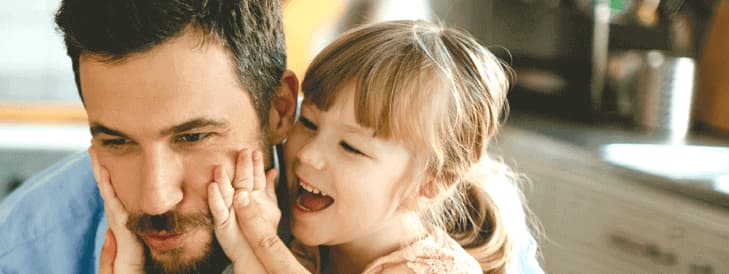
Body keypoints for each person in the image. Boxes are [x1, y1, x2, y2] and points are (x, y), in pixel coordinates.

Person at [0, 0, 545, 273]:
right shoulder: (22, 250)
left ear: (279, 108)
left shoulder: (475, 238)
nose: (155, 198)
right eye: (116, 141)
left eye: (194, 137)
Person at [205, 20, 536, 274]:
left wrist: (262, 244)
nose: (308, 153)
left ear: (429, 184)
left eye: (350, 146)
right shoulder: (312, 250)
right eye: (308, 122)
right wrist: (246, 250)